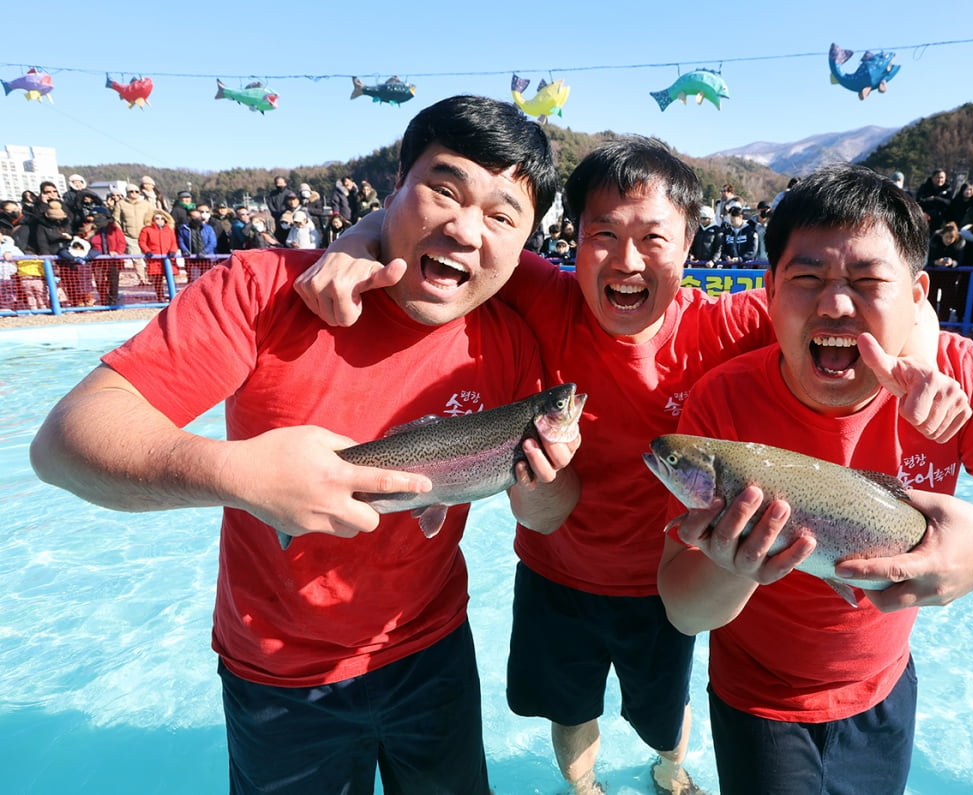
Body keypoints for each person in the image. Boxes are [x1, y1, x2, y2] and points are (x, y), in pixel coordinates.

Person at [293, 136, 971, 795]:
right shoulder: (549, 298)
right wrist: (354, 240)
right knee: (569, 708)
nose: (626, 259)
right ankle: (581, 783)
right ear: (574, 240)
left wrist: (930, 360)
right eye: (604, 235)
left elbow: (873, 302)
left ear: (688, 247)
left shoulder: (727, 323)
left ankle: (670, 768)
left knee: (662, 713)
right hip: (555, 573)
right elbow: (442, 235)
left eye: (653, 237)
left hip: (663, 585)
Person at [29, 94, 574, 795]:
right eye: (443, 189)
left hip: (434, 651)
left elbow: (547, 514)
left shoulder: (509, 342)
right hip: (277, 673)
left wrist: (543, 478)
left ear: (524, 240)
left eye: (502, 216)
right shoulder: (258, 291)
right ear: (393, 189)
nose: (466, 230)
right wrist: (233, 471)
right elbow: (62, 441)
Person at [656, 163, 973, 795]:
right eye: (807, 277)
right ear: (769, 290)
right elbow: (685, 612)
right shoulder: (723, 403)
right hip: (758, 697)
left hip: (885, 688)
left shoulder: (962, 383)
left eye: (868, 280)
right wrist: (731, 564)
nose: (836, 304)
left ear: (917, 294)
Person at [925, 221, 965, 322]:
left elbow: (960, 260)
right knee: (931, 299)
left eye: (951, 238)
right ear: (942, 235)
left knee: (946, 300)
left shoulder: (959, 245)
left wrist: (952, 263)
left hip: (949, 276)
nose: (948, 240)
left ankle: (943, 321)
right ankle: (930, 320)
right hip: (933, 275)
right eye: (946, 237)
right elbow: (926, 259)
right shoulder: (933, 242)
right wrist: (935, 263)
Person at [113, 186, 153, 285]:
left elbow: (152, 217)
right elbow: (116, 219)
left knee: (149, 257)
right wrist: (120, 233)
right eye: (131, 191)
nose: (134, 193)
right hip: (129, 236)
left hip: (145, 235)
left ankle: (152, 277)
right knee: (136, 258)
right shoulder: (121, 204)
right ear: (127, 192)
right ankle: (142, 279)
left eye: (136, 191)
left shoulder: (146, 204)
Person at [88, 207, 127, 306]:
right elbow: (87, 242)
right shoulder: (90, 229)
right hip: (98, 261)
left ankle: (113, 300)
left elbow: (122, 242)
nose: (96, 218)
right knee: (100, 281)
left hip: (113, 260)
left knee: (113, 281)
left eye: (99, 216)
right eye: (94, 216)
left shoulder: (113, 228)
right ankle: (104, 300)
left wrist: (117, 252)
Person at [138, 211, 180, 302]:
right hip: (155, 259)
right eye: (157, 218)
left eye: (162, 218)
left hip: (168, 258)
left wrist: (173, 251)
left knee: (170, 278)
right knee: (157, 279)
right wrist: (147, 251)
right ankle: (160, 297)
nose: (160, 220)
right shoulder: (146, 230)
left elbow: (174, 243)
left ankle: (173, 295)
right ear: (153, 219)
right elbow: (142, 242)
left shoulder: (169, 230)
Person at [178, 206, 218, 284]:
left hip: (206, 258)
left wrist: (205, 252)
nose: (197, 219)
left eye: (198, 217)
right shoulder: (184, 229)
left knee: (207, 278)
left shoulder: (208, 228)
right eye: (194, 217)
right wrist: (185, 251)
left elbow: (213, 242)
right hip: (191, 258)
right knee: (192, 280)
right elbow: (181, 241)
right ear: (189, 218)